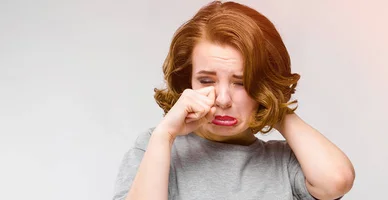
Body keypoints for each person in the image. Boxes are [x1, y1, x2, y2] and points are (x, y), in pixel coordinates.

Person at [113, 1, 355, 199]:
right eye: (207, 81)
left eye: (242, 83)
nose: (223, 99)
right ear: (188, 84)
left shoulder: (284, 162)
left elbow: (337, 181)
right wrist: (164, 135)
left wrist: (275, 105)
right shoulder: (155, 147)